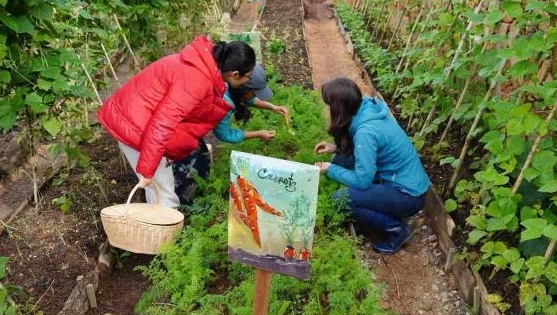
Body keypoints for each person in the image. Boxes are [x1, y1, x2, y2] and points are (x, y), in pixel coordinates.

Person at [97, 36, 256, 208]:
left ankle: (159, 226)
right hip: (135, 127)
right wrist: (147, 169)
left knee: (158, 188)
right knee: (164, 196)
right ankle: (164, 232)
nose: (248, 81)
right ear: (235, 74)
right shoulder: (196, 81)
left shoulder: (202, 65)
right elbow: (162, 123)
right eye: (249, 76)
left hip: (136, 118)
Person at [314, 78, 430, 254]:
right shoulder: (366, 107)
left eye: (330, 105)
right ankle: (375, 210)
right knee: (342, 159)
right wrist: (335, 148)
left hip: (407, 196)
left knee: (341, 199)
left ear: (340, 108)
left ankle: (397, 230)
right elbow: (367, 151)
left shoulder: (366, 132)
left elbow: (362, 181)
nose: (329, 110)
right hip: (405, 182)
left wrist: (330, 169)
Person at [172, 64, 290, 203]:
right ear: (243, 87)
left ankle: (200, 192)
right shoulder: (225, 103)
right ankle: (183, 207)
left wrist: (273, 107)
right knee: (184, 173)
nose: (255, 96)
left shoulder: (228, 82)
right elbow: (225, 135)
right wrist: (259, 134)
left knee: (201, 161)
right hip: (175, 130)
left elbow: (249, 98)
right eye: (255, 92)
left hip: (186, 123)